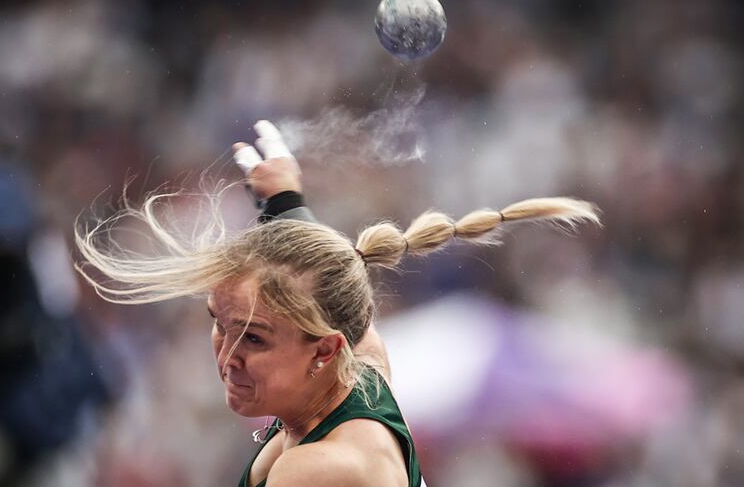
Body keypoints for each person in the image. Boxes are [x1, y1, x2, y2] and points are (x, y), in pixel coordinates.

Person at [74, 120, 600, 486]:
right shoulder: (362, 372)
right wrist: (285, 204)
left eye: (253, 337)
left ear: (324, 351)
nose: (226, 355)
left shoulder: (317, 471)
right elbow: (337, 292)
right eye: (220, 323)